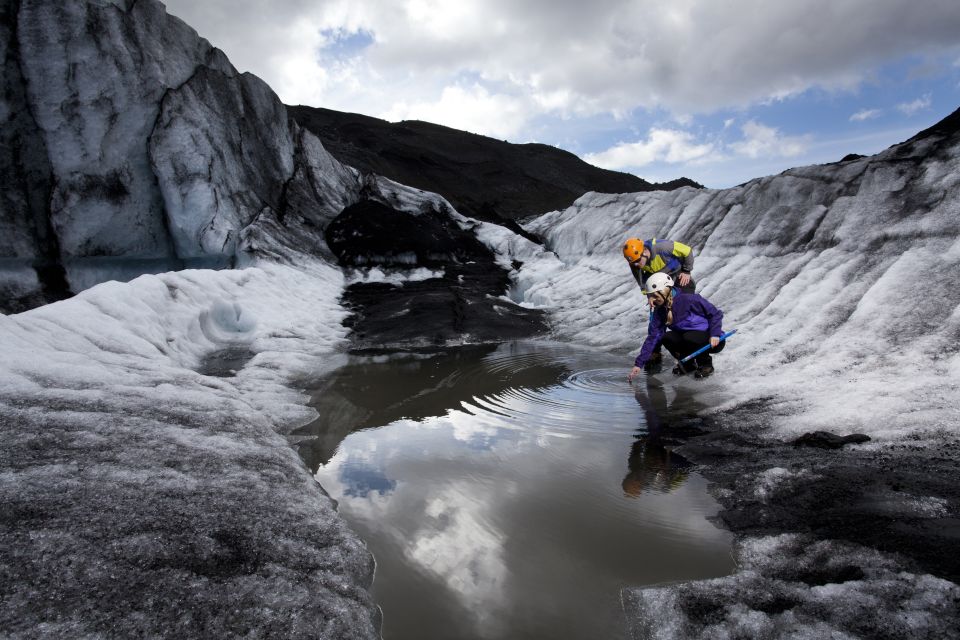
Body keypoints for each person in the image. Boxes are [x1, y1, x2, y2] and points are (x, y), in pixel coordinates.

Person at [627, 272, 726, 381]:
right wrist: (639, 364)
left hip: (713, 340)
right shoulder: (660, 311)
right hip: (689, 340)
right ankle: (688, 365)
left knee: (689, 336)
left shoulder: (689, 299)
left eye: (654, 296)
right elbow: (653, 337)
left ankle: (706, 365)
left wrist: (715, 334)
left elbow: (716, 314)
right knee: (667, 337)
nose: (652, 300)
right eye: (649, 296)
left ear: (664, 292)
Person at [622, 237, 696, 370]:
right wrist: (649, 295)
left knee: (680, 317)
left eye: (638, 261)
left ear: (644, 251)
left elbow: (687, 251)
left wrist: (687, 270)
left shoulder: (663, 247)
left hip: (679, 278)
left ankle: (689, 353)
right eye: (633, 263)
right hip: (659, 286)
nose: (637, 265)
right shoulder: (635, 262)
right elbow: (641, 281)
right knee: (656, 319)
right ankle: (655, 352)